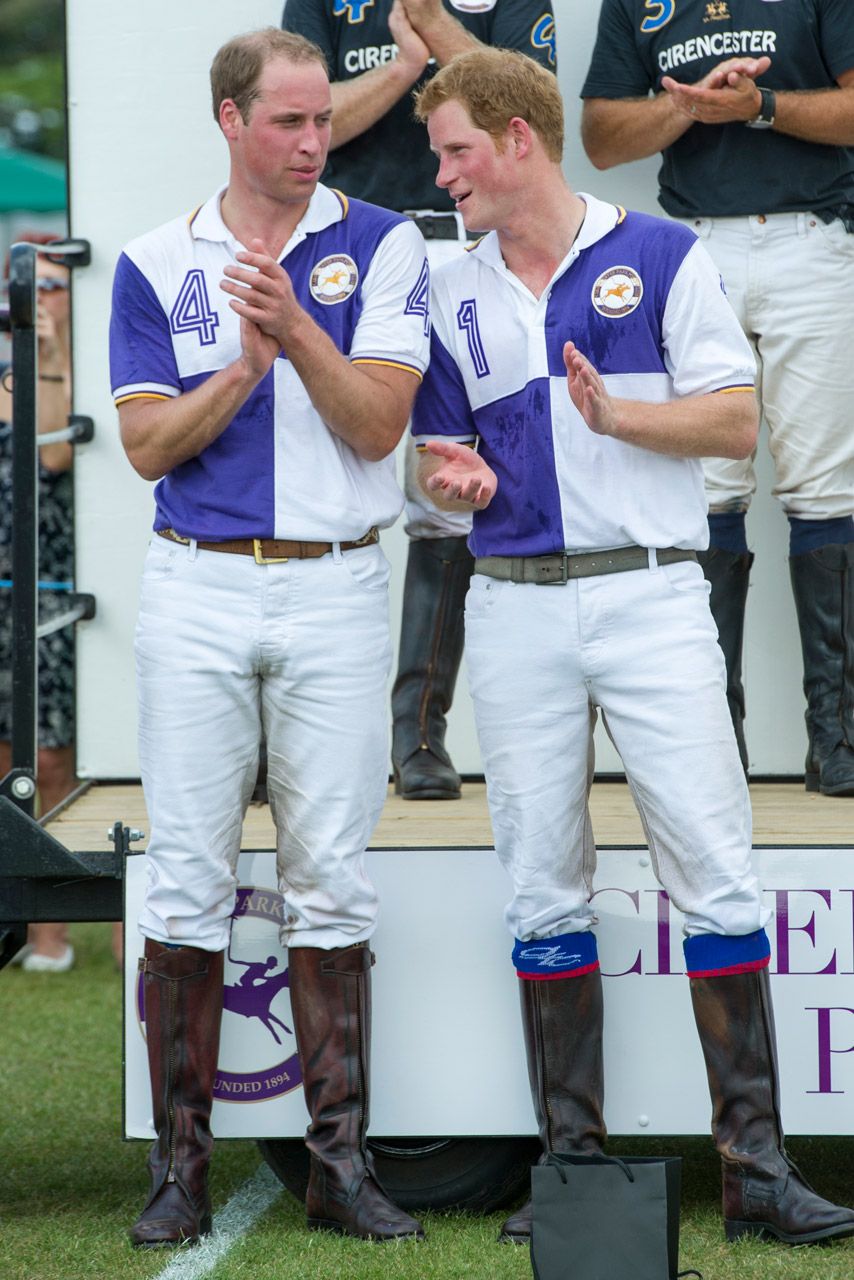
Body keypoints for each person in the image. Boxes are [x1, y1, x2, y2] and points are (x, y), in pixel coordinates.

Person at [410, 46, 854, 1248]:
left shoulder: (662, 253)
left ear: (515, 141)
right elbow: (430, 460)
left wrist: (618, 416)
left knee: (712, 869)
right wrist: (442, 472)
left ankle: (754, 1169)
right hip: (509, 599)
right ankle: (570, 1169)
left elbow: (731, 416)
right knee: (538, 881)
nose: (440, 171)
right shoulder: (448, 292)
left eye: (454, 149)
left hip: (652, 597)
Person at [109, 27, 429, 1247]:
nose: (314, 141)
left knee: (331, 874)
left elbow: (376, 428)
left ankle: (337, 1163)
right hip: (196, 584)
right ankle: (177, 1168)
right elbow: (144, 447)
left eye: (323, 121)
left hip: (338, 586)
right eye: (289, 121)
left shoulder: (382, 240)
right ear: (230, 123)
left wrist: (294, 332)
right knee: (187, 873)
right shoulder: (154, 259)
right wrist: (243, 369)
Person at [282, 0, 557, 799]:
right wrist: (405, 70)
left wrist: (432, 20)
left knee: (448, 490)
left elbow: (522, 105)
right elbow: (312, 126)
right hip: (354, 244)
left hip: (470, 241)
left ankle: (419, 737)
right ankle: (299, 735)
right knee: (326, 479)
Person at [580, 1, 854, 795]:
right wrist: (687, 105)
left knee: (827, 489)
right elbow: (599, 140)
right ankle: (712, 737)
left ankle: (836, 742)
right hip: (696, 243)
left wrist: (760, 107)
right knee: (708, 490)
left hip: (816, 236)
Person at [0, 234, 76, 973]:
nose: (42, 301)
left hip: (47, 584)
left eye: (56, 288)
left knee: (51, 758)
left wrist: (45, 352)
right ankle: (15, 924)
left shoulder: (70, 370)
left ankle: (52, 934)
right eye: (33, 289)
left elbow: (51, 451)